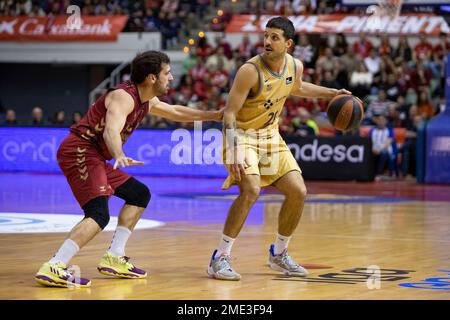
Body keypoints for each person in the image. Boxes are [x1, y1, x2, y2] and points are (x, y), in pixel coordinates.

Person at [35, 51, 222, 288]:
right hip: (80, 150)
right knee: (98, 214)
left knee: (139, 194)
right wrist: (119, 155)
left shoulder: (147, 99)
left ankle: (114, 256)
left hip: (95, 156)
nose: (172, 78)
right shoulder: (123, 97)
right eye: (167, 73)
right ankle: (55, 265)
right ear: (152, 78)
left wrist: (215, 115)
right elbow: (110, 131)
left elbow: (175, 112)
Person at [207, 17, 350, 281]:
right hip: (242, 136)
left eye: (274, 37)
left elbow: (298, 88)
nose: (268, 42)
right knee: (251, 189)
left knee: (299, 191)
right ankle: (221, 257)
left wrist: (332, 93)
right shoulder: (249, 71)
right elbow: (228, 114)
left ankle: (279, 254)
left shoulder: (295, 66)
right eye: (266, 36)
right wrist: (235, 148)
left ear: (289, 43)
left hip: (270, 137)